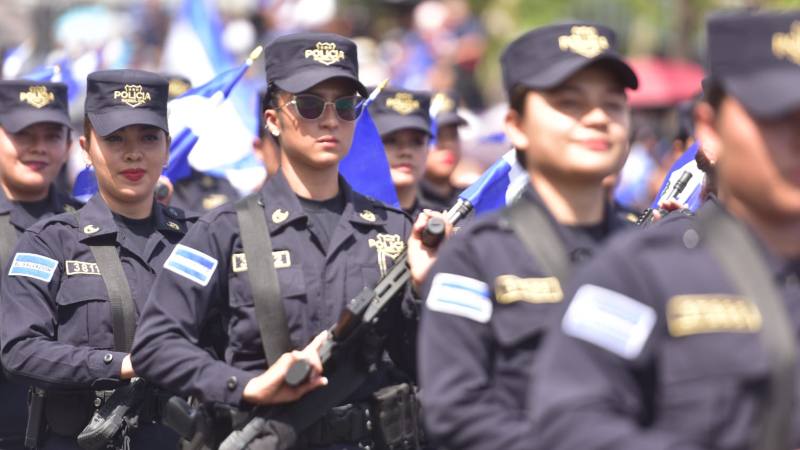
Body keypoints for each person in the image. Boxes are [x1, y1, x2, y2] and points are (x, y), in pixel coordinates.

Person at [131, 32, 442, 449]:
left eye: (346, 106)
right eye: (310, 105)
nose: (330, 120)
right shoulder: (223, 230)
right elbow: (155, 344)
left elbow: (427, 364)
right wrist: (246, 385)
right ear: (274, 119)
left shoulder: (394, 230)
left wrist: (423, 290)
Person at [529, 10, 800, 450]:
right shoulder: (638, 275)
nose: (796, 137)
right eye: (774, 116)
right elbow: (572, 423)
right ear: (710, 131)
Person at [418, 22, 638, 450]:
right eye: (570, 103)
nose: (597, 118)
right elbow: (455, 410)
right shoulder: (474, 256)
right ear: (516, 126)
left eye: (612, 103)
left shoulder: (651, 251)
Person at [0, 70, 192, 450]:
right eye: (115, 138)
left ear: (168, 147)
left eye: (149, 137)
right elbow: (20, 348)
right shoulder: (52, 240)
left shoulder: (199, 238)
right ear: (87, 149)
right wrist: (120, 364)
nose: (133, 152)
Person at [0, 80, 80, 450]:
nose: (38, 147)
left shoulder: (86, 222)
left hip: (73, 428)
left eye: (51, 135)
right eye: (23, 134)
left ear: (69, 144)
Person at [370, 87, 434, 219]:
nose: (406, 151)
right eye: (390, 141)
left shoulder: (443, 222)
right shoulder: (343, 221)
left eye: (416, 142)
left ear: (428, 149)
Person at [419, 91, 467, 212]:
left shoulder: (471, 199)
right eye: (437, 136)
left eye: (452, 135)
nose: (447, 144)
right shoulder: (406, 205)